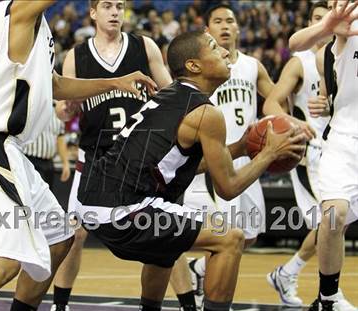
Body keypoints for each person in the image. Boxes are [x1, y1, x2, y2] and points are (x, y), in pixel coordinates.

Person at [0, 1, 157, 310]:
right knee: (3, 263)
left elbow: (54, 84)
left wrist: (114, 81)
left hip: (11, 150)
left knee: (59, 239)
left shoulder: (35, 27)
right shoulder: (16, 13)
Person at [75, 30, 306, 311]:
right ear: (194, 65)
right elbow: (228, 187)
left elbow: (177, 165)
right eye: (213, 47)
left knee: (165, 246)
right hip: (124, 209)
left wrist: (241, 148)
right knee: (231, 238)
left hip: (94, 202)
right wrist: (270, 153)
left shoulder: (172, 96)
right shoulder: (206, 113)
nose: (223, 51)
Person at [51, 1, 196, 311]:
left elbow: (175, 94)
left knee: (169, 233)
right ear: (93, 13)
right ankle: (59, 305)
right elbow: (63, 110)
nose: (115, 11)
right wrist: (67, 108)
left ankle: (188, 305)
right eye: (107, 6)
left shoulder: (145, 46)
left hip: (141, 160)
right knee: (73, 235)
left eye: (119, 6)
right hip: (95, 158)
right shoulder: (76, 55)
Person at [182, 5, 314, 307]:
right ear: (207, 31)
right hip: (218, 157)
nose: (225, 26)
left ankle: (196, 269)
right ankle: (210, 297)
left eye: (230, 20)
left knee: (250, 235)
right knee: (228, 238)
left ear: (239, 29)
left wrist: (292, 121)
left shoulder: (253, 66)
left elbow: (275, 101)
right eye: (218, 21)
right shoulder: (205, 67)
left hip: (249, 157)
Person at [289, 0, 358, 309]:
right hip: (344, 141)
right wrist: (328, 26)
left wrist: (329, 103)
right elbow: (295, 43)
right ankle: (328, 296)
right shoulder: (340, 35)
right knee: (334, 214)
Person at [24, 106, 71, 190]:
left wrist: (65, 163)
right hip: (30, 160)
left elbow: (60, 137)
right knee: (31, 197)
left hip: (49, 163)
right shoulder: (33, 103)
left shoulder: (58, 108)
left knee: (47, 196)